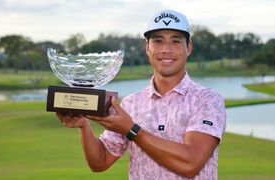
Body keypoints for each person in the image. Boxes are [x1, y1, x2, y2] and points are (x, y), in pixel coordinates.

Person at [56, 9, 226, 180]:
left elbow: (191, 163)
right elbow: (100, 162)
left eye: (175, 41)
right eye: (158, 41)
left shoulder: (207, 100)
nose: (166, 49)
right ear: (147, 47)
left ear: (188, 47)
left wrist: (131, 129)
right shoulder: (132, 103)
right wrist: (84, 126)